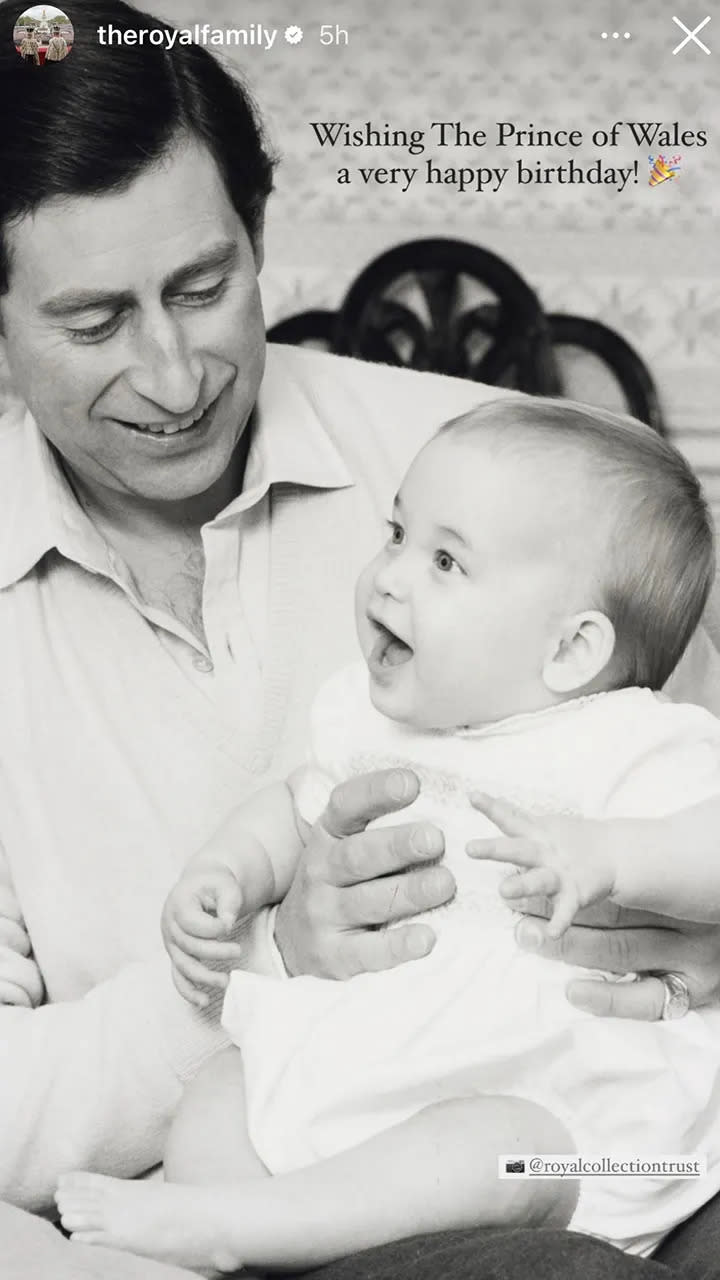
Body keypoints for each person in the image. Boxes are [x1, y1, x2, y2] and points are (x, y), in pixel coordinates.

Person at [1, 1, 720, 1277]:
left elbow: (678, 782)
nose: (174, 377)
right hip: (224, 1185)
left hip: (562, 1148)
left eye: (206, 288)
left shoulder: (500, 467)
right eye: (95, 323)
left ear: (262, 235)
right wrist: (257, 960)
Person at [54, 399, 720, 1273]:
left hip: (583, 1143)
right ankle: (237, 1230)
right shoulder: (373, 722)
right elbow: (296, 806)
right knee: (222, 1095)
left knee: (494, 1149)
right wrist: (227, 872)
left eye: (445, 560)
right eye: (396, 533)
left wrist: (611, 858)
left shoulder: (628, 742)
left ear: (571, 652)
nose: (389, 576)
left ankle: (234, 1231)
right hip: (369, 1092)